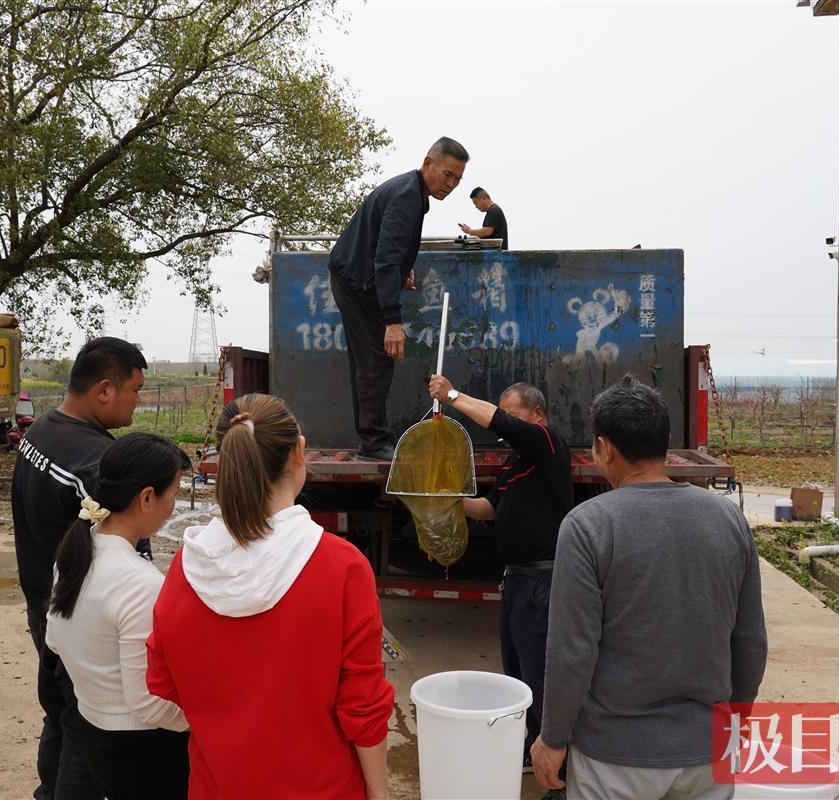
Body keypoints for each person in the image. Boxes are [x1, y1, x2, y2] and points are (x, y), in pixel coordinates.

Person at [146, 393, 394, 799]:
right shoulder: (341, 567)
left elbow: (162, 680)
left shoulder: (185, 569)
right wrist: (380, 794)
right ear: (299, 451)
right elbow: (363, 708)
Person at [531, 376, 767, 800]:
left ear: (604, 448)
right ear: (668, 442)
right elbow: (750, 639)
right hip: (707, 752)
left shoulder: (588, 525)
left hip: (614, 759)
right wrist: (738, 718)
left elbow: (573, 650)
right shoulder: (727, 519)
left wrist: (552, 738)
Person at [11, 336, 146, 800]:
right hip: (79, 615)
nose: (138, 403)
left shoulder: (41, 431)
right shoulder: (94, 463)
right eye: (135, 390)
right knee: (85, 727)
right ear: (105, 390)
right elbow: (128, 563)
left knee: (60, 713)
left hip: (45, 605)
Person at [428, 375, 571, 793]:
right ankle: (530, 749)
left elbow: (500, 424)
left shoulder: (547, 447)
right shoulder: (514, 464)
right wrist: (444, 500)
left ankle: (558, 768)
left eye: (514, 415)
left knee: (540, 676)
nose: (506, 424)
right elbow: (489, 508)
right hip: (515, 583)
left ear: (537, 416)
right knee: (518, 675)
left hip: (542, 580)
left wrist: (452, 397)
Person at [45, 433, 191, 800]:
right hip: (142, 751)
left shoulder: (77, 549)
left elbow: (54, 639)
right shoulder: (139, 582)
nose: (174, 504)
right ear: (146, 498)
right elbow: (147, 703)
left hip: (95, 732)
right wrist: (201, 723)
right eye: (173, 492)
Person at [329, 136, 470, 460]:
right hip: (357, 282)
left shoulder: (413, 193)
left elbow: (387, 249)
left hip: (356, 277)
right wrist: (393, 320)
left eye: (458, 179)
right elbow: (385, 259)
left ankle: (371, 439)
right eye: (448, 174)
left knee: (370, 363)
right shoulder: (408, 195)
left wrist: (401, 271)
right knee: (376, 361)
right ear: (428, 163)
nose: (451, 184)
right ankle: (374, 443)